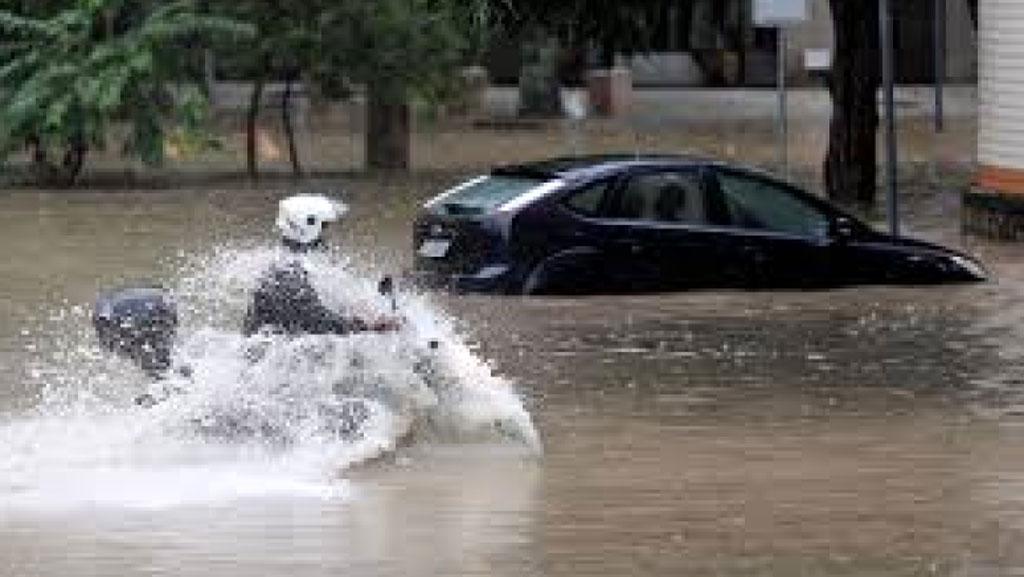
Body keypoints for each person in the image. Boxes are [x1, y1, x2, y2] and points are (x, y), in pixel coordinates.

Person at [242, 194, 402, 337]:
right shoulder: (287, 275)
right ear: (309, 228)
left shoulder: (287, 265)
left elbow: (327, 304)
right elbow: (319, 322)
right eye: (324, 229)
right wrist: (369, 327)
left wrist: (366, 309)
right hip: (270, 364)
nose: (326, 238)